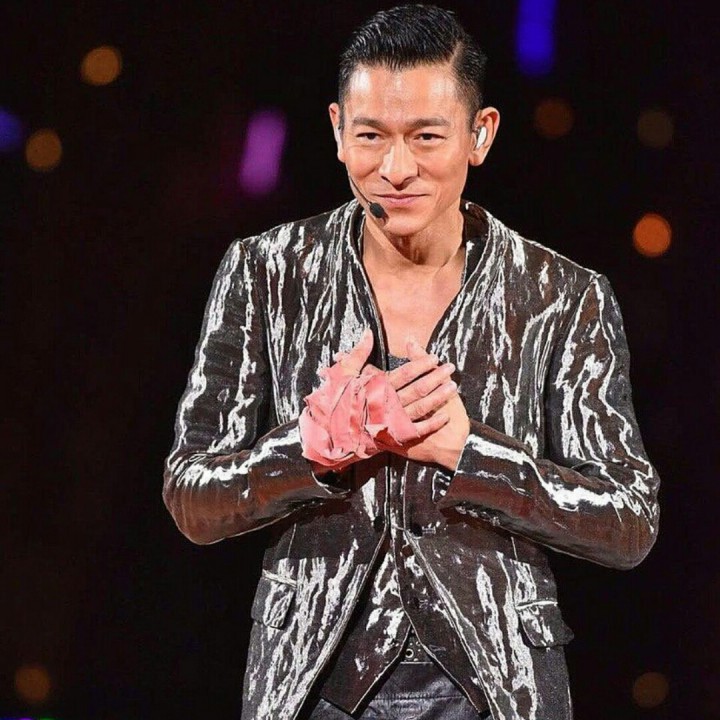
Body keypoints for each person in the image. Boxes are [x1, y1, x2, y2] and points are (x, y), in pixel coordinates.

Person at [163, 5, 660, 719]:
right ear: (338, 131)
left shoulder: (560, 296)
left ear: (479, 135)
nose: (396, 170)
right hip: (312, 684)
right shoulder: (266, 273)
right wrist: (306, 451)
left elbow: (629, 519)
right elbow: (191, 496)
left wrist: (471, 454)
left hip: (497, 688)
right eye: (371, 136)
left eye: (426, 137)